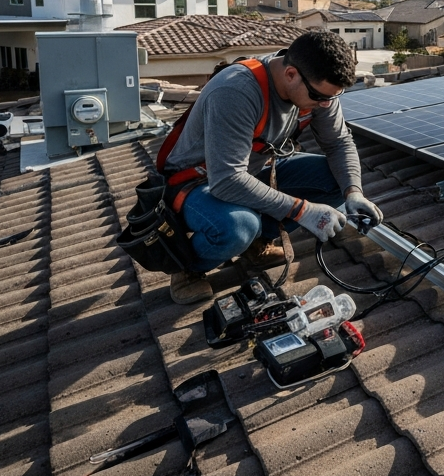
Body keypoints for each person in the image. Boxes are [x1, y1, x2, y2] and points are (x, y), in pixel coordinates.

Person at [158, 30, 384, 304]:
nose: (325, 104)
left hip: (246, 173)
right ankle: (188, 268)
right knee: (239, 225)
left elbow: (338, 143)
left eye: (332, 98)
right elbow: (226, 180)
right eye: (319, 96)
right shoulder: (236, 91)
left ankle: (257, 243)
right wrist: (303, 211)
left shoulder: (318, 90)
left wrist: (353, 192)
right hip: (196, 183)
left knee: (336, 180)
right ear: (291, 74)